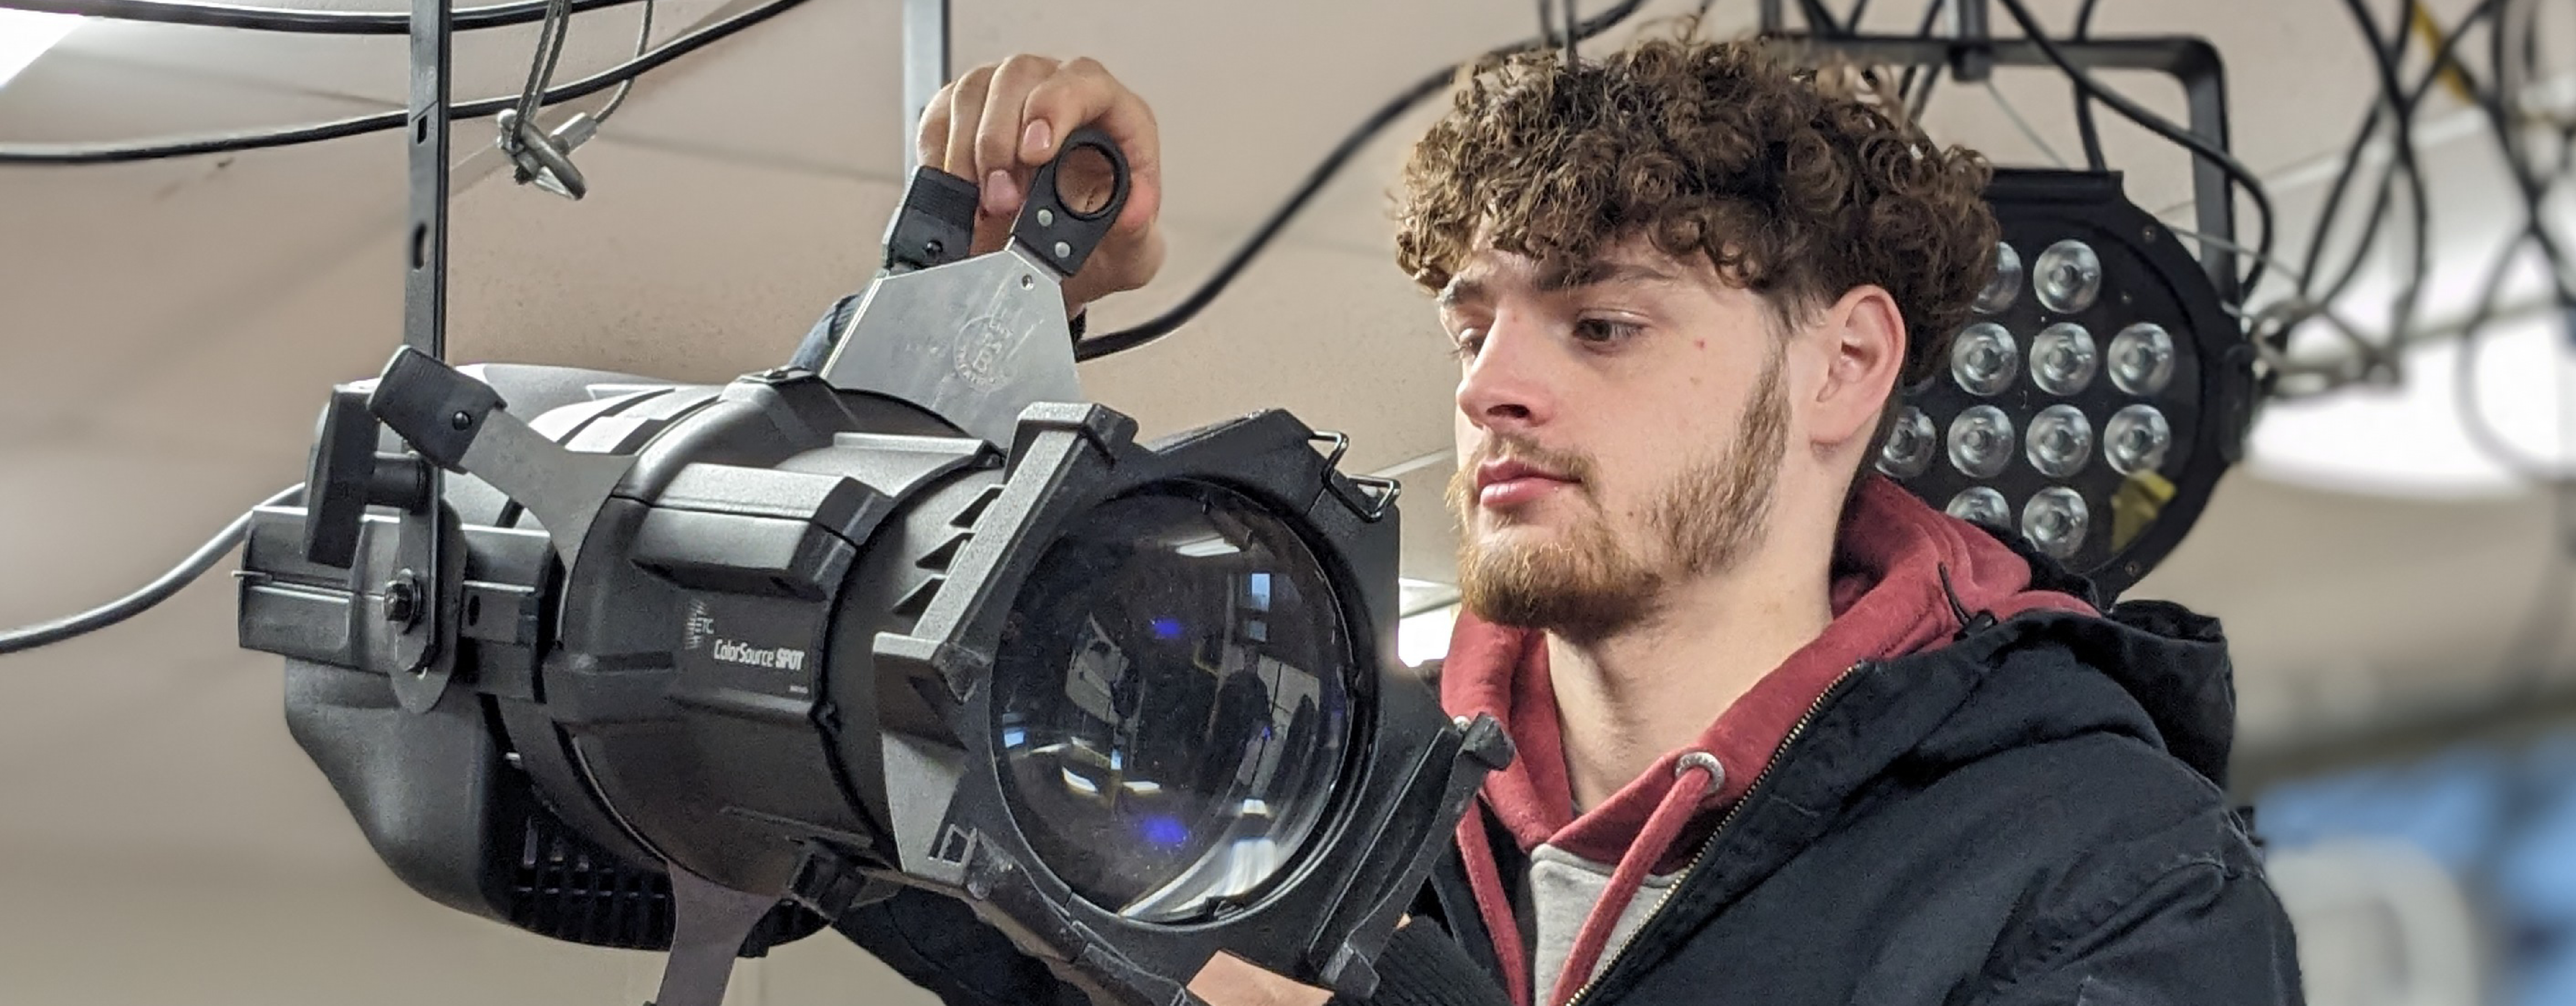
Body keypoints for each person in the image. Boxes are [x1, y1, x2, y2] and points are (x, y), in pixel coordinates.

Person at [834, 27, 2305, 1006]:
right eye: (1472, 329)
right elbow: (786, 779)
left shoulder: (2109, 872)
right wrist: (948, 351)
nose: (1493, 390)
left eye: (1601, 326)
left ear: (1844, 364)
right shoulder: (1290, 782)